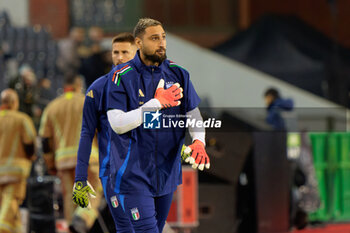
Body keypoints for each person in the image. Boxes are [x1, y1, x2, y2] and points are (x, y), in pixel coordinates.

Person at [104, 18, 210, 233]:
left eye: (163, 37)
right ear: (139, 43)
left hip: (166, 174)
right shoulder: (120, 76)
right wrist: (156, 103)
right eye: (154, 38)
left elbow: (193, 113)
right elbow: (117, 124)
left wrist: (199, 141)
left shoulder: (179, 74)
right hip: (133, 174)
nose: (161, 43)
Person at [73, 32, 137, 232]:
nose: (119, 57)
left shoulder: (151, 88)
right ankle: (82, 220)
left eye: (125, 52)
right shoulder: (98, 89)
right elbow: (86, 134)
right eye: (115, 52)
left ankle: (82, 219)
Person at [39, 73, 101, 232]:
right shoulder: (88, 101)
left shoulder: (52, 107)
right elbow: (101, 131)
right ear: (79, 85)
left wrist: (50, 164)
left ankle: (73, 226)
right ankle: (83, 216)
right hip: (89, 159)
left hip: (64, 161)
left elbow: (45, 140)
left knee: (70, 199)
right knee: (93, 191)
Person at [0, 89, 36, 233]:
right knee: (10, 204)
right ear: (15, 103)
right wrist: (31, 158)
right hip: (15, 171)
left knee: (6, 208)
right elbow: (30, 143)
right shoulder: (22, 119)